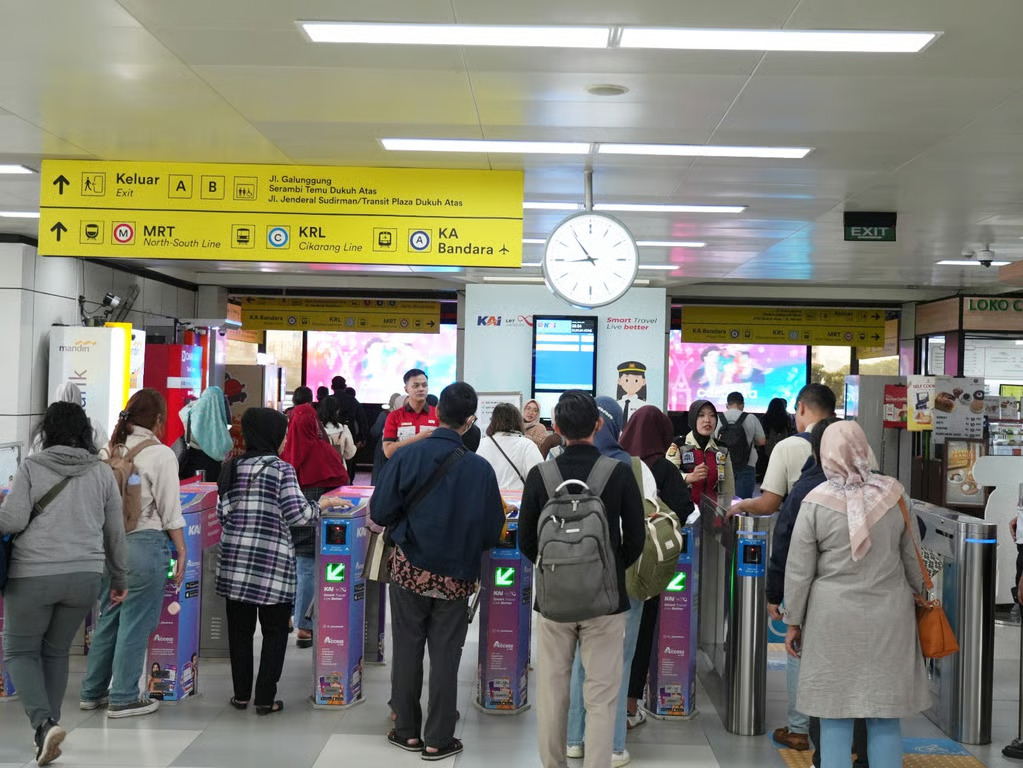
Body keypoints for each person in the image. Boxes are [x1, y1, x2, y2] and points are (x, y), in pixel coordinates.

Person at [367, 382, 505, 760]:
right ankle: (438, 738)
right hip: (456, 575)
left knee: (407, 648)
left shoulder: (406, 456)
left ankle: (406, 730)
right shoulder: (480, 469)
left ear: (437, 411)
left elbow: (380, 512)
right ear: (470, 421)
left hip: (409, 568)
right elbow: (493, 530)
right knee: (446, 654)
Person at [784, 420, 930, 768]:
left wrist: (793, 621)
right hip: (890, 617)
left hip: (832, 618)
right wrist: (923, 594)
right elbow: (914, 557)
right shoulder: (895, 495)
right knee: (884, 713)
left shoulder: (815, 502)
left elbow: (800, 570)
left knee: (833, 713)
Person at [519, 391, 645, 768]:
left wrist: (555, 570)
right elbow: (636, 539)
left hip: (554, 602)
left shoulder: (541, 475)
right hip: (605, 603)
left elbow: (526, 540)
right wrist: (608, 569)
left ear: (556, 428)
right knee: (602, 697)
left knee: (552, 694)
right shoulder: (619, 472)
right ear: (599, 424)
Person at [1, 402, 127, 766]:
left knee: (20, 652)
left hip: (34, 574)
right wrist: (119, 577)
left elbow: (12, 521)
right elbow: (115, 532)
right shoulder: (102, 472)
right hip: (85, 577)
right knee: (55, 652)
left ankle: (44, 725)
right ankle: (47, 733)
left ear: (47, 430)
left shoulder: (32, 466)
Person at [81, 388, 187, 719]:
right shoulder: (161, 455)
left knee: (109, 618)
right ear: (158, 420)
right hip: (143, 546)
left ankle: (92, 692)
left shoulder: (109, 450)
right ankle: (124, 696)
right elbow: (170, 512)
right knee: (136, 623)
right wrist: (181, 549)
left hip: (106, 548)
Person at [565, 396, 657, 767]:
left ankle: (574, 739)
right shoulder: (635, 467)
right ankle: (614, 746)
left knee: (580, 659)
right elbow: (645, 525)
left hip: (574, 575)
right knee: (619, 659)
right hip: (621, 576)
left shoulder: (562, 463)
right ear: (615, 425)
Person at [216, 408, 318, 715]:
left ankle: (240, 695)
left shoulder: (231, 466)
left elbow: (223, 514)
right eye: (283, 433)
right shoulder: (281, 469)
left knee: (240, 633)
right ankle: (264, 698)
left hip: (235, 564)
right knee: (274, 633)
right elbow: (299, 515)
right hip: (272, 565)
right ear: (272, 435)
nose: (286, 439)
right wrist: (321, 505)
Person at [619, 405, 695, 728]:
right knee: (639, 634)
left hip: (609, 564)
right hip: (645, 564)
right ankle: (628, 708)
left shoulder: (614, 461)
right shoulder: (662, 468)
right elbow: (684, 508)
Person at [280, 394, 349, 649]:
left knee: (293, 566)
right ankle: (304, 625)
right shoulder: (325, 451)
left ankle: (290, 619)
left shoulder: (287, 453)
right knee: (308, 566)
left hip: (291, 516)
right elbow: (341, 483)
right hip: (320, 514)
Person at [728, 384, 836, 519]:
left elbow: (767, 505)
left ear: (801, 408)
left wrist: (741, 505)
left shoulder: (786, 447)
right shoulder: (853, 445)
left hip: (803, 525)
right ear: (833, 415)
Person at [671, 399, 735, 507]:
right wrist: (689, 477)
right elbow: (670, 478)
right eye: (701, 415)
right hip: (685, 509)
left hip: (712, 510)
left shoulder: (721, 449)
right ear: (692, 418)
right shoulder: (679, 445)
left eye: (712, 415)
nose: (707, 420)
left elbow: (728, 486)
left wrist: (726, 510)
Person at [476, 403, 543, 490]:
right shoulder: (527, 445)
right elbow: (539, 478)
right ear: (518, 421)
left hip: (488, 496)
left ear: (493, 421)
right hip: (518, 497)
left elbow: (474, 477)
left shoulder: (480, 444)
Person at [715, 391, 766, 499]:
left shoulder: (717, 419)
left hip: (722, 465)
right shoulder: (751, 418)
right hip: (746, 465)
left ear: (727, 405)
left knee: (723, 501)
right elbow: (761, 441)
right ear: (742, 405)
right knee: (743, 503)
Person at [178, 385, 233, 483]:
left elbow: (182, 412)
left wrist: (193, 403)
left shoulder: (192, 414)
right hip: (213, 467)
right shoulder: (220, 426)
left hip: (192, 464)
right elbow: (227, 448)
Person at [382, 369, 439, 459]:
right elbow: (388, 452)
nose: (421, 389)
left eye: (424, 385)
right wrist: (418, 438)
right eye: (416, 386)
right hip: (404, 465)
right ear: (406, 389)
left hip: (432, 465)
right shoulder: (394, 416)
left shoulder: (438, 414)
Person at [759, 397, 796, 480]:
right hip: (785, 448)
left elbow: (761, 434)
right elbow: (792, 433)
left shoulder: (764, 419)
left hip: (767, 449)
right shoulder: (788, 419)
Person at [371, 393, 405, 484]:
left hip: (383, 446)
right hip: (401, 447)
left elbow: (376, 431)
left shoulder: (385, 414)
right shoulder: (406, 416)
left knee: (379, 471)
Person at [318, 395, 357, 467]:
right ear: (337, 411)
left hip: (321, 468)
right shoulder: (343, 429)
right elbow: (349, 453)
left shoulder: (316, 429)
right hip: (339, 468)